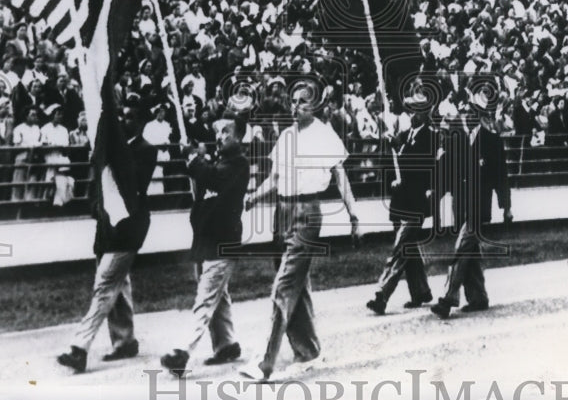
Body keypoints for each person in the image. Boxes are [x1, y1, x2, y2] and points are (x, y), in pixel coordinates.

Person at [239, 85, 361, 382]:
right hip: (282, 212)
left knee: (284, 285)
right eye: (292, 102)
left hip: (307, 213)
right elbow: (275, 178)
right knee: (297, 284)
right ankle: (308, 351)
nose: (296, 107)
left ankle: (264, 362)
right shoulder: (286, 136)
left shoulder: (324, 135)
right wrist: (254, 196)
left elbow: (339, 176)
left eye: (303, 102)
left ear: (315, 105)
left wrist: (353, 213)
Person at [56, 108, 158, 373]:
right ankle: (125, 341)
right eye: (122, 116)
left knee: (104, 286)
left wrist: (109, 153)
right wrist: (96, 207)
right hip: (106, 229)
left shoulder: (146, 150)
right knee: (118, 284)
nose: (125, 120)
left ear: (141, 121)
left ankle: (80, 347)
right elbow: (97, 186)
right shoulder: (112, 151)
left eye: (131, 116)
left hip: (128, 228)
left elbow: (132, 182)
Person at [161, 118, 251, 376]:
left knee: (205, 298)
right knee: (218, 295)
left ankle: (182, 352)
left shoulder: (238, 165)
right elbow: (204, 177)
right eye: (217, 131)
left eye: (226, 132)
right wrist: (190, 158)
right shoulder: (217, 163)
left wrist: (193, 159)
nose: (220, 136)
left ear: (239, 137)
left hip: (223, 242)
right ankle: (226, 345)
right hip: (207, 240)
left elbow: (213, 177)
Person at [430, 90, 512, 319]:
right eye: (467, 110)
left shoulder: (492, 141)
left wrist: (506, 207)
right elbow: (449, 171)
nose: (468, 114)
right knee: (471, 252)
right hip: (462, 204)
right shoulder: (459, 139)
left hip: (479, 208)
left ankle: (448, 299)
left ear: (481, 114)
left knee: (461, 249)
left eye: (472, 111)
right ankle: (479, 297)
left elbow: (501, 177)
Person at [366, 91, 435, 315]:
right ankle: (421, 291)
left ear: (424, 113)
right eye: (411, 109)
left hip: (415, 202)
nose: (413, 113)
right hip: (402, 201)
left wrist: (399, 150)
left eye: (417, 110)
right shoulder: (407, 134)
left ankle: (382, 293)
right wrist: (391, 139)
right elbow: (398, 146)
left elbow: (419, 165)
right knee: (409, 248)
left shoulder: (429, 137)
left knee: (400, 248)